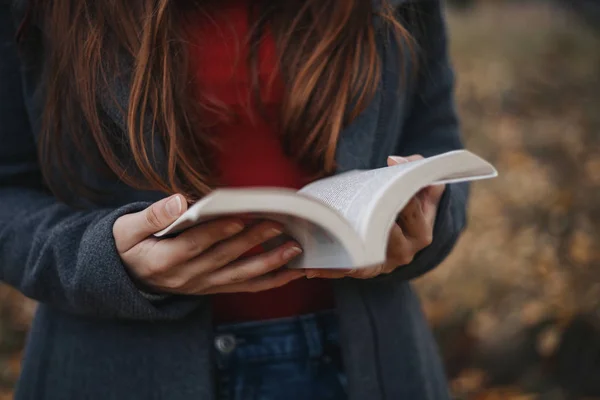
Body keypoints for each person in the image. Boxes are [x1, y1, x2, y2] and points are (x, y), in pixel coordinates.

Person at [0, 0, 469, 399]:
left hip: (373, 362)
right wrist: (104, 260)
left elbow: (438, 140)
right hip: (115, 369)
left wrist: (423, 220)